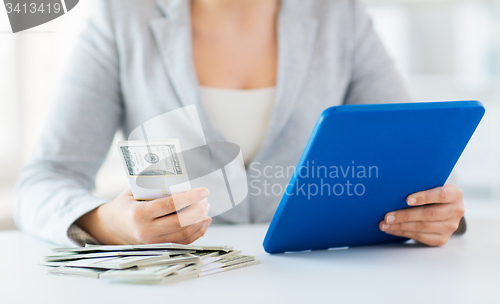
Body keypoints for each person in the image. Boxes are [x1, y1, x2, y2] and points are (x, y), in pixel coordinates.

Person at [14, 0, 465, 247]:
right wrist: (109, 224)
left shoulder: (339, 15)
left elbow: (411, 156)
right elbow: (43, 180)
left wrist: (436, 211)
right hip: (178, 293)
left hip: (319, 287)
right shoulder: (121, 18)